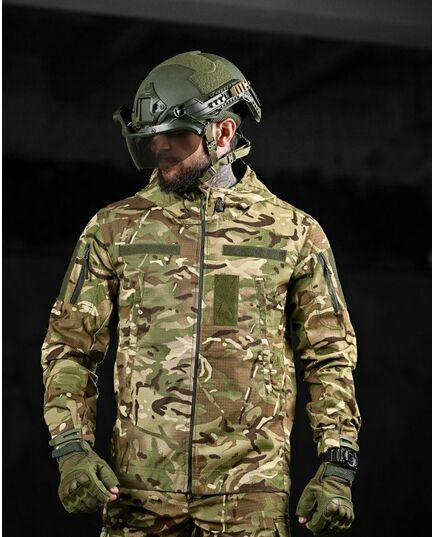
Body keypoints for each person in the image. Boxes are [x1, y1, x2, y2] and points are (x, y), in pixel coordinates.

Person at [42, 51, 361, 537]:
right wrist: (71, 450)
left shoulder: (293, 233)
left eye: (176, 134)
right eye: (152, 135)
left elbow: (329, 357)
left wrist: (337, 467)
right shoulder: (114, 228)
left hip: (250, 490)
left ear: (224, 132)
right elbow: (70, 347)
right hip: (138, 489)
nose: (160, 146)